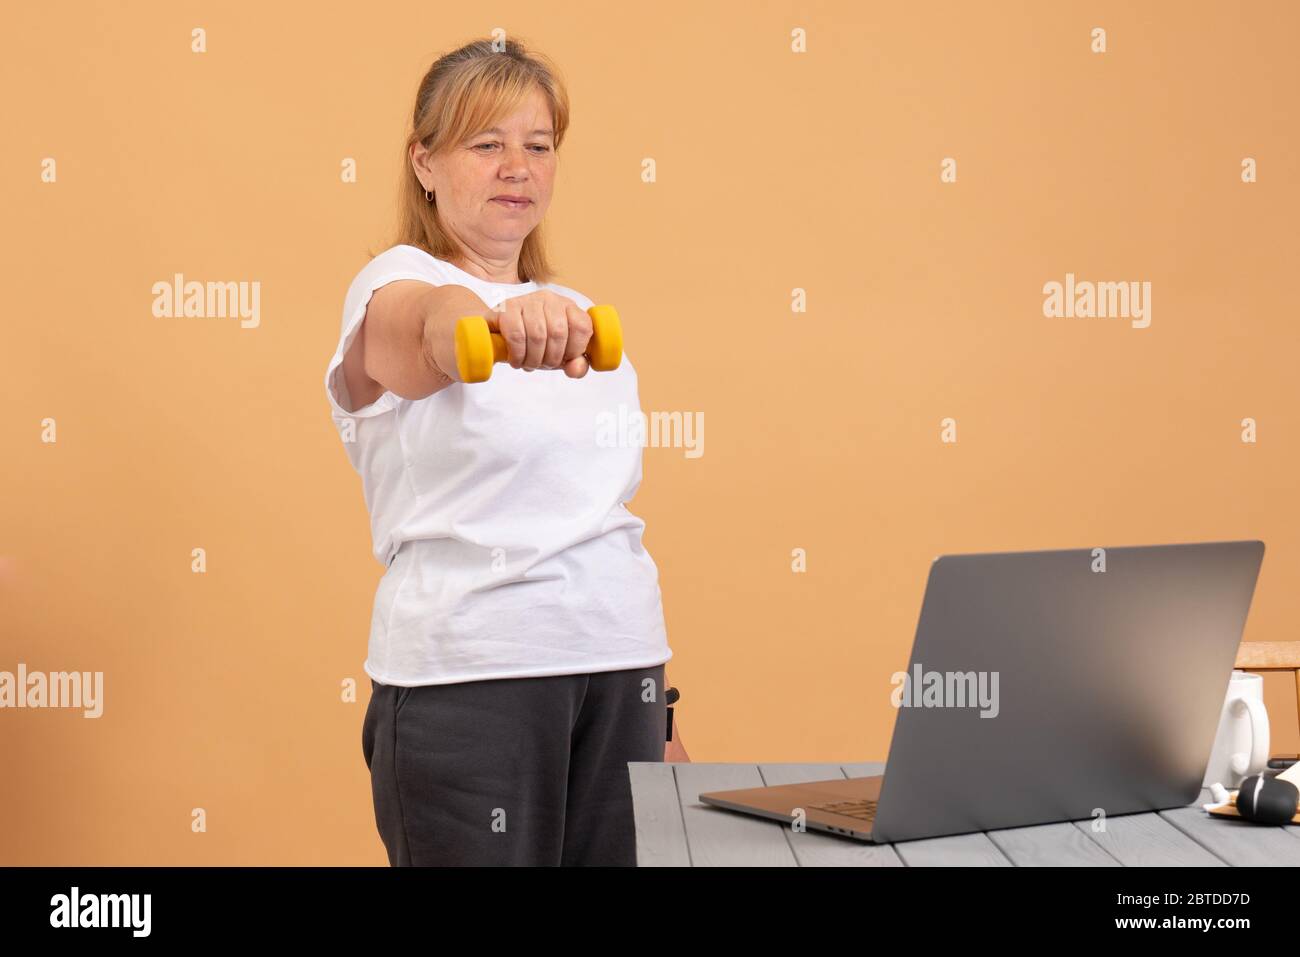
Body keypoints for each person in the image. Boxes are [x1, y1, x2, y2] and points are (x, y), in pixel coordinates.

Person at [323, 37, 688, 866]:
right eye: (486, 144)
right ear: (425, 161)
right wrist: (482, 319)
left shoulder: (579, 314)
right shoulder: (390, 286)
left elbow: (601, 521)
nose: (515, 167)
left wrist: (657, 714)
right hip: (470, 680)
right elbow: (429, 331)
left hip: (620, 670)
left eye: (537, 145)